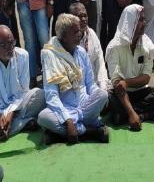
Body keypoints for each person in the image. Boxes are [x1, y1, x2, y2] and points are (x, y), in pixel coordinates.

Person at [38, 14, 109, 144]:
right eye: (75, 31)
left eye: (79, 30)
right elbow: (51, 95)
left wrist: (96, 102)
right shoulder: (50, 55)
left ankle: (59, 134)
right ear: (64, 37)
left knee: (103, 94)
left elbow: (90, 84)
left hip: (84, 105)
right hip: (65, 108)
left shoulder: (81, 52)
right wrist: (68, 119)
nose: (80, 33)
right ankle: (89, 131)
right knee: (43, 117)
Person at [105, 5, 154, 131]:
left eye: (144, 19)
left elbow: (147, 78)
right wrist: (132, 114)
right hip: (121, 94)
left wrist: (126, 82)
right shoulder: (114, 47)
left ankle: (123, 115)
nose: (144, 23)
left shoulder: (147, 45)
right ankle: (142, 114)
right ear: (130, 22)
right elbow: (117, 84)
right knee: (107, 97)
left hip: (139, 92)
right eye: (140, 20)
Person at [0, 25, 45, 141]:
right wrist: (1, 115)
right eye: (3, 45)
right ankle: (23, 124)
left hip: (19, 107)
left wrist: (11, 113)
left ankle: (7, 128)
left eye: (11, 42)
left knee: (40, 94)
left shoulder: (23, 56)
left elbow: (23, 92)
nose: (10, 47)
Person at [68, 3, 109, 91]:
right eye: (79, 16)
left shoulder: (92, 34)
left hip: (94, 86)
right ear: (71, 19)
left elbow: (100, 62)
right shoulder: (67, 40)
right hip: (75, 89)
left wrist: (103, 86)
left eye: (85, 16)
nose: (83, 19)